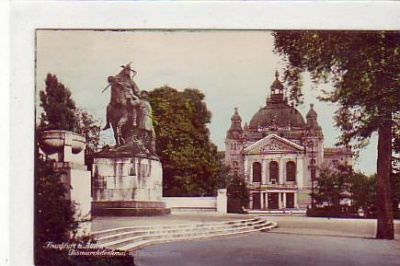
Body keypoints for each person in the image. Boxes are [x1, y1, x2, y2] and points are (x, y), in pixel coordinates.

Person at [103, 63, 140, 131]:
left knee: (132, 104)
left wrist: (138, 94)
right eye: (127, 70)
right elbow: (110, 79)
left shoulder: (131, 81)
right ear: (124, 70)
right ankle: (108, 123)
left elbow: (136, 90)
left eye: (129, 71)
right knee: (108, 107)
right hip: (119, 95)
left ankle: (134, 121)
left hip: (128, 96)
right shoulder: (118, 78)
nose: (128, 72)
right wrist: (113, 79)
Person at [137, 90, 156, 155]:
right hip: (144, 121)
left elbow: (150, 113)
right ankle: (141, 150)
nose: (146, 95)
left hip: (149, 122)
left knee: (153, 137)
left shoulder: (148, 103)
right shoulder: (139, 101)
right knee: (143, 136)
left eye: (146, 94)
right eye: (144, 94)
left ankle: (152, 151)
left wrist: (154, 121)